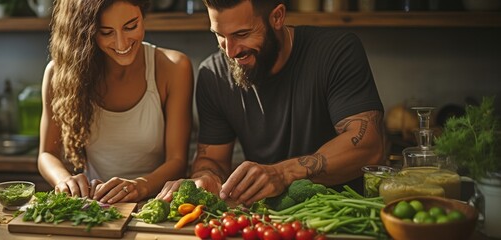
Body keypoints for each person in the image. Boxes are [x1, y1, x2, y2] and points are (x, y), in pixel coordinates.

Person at [157, 0, 386, 206]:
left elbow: (369, 146)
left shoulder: (336, 51)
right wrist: (207, 176)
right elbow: (212, 159)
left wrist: (284, 173)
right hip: (266, 219)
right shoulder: (213, 74)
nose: (230, 50)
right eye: (219, 35)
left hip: (343, 212)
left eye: (242, 33)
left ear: (277, 17)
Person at [37, 0, 194, 204]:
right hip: (94, 206)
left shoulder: (174, 68)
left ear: (143, 15)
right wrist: (64, 180)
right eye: (106, 32)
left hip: (155, 204)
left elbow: (178, 161)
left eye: (131, 27)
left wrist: (140, 186)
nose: (121, 44)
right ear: (87, 32)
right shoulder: (59, 74)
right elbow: (47, 154)